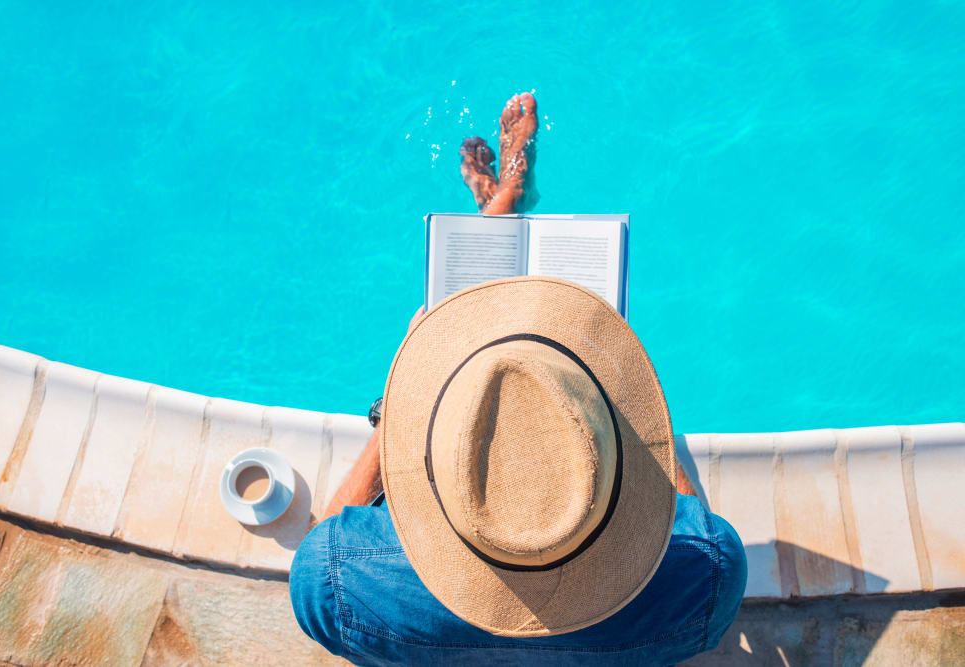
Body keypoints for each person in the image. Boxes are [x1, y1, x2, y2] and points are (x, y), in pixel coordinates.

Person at [289, 93, 746, 665]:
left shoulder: (334, 583)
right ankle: (504, 201)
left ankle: (498, 212)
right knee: (536, 389)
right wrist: (628, 414)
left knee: (485, 389)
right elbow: (688, 520)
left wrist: (398, 410)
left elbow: (317, 549)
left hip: (440, 569)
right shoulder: (708, 578)